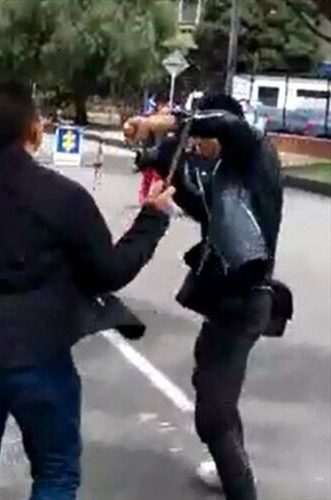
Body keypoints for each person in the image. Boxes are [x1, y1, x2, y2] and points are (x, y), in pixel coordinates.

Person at [0, 81, 176, 500]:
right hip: (40, 358)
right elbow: (109, 271)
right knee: (55, 471)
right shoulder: (64, 198)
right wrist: (152, 219)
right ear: (34, 131)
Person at [123, 94, 289, 500]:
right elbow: (204, 209)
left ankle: (240, 486)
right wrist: (156, 158)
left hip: (247, 299)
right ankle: (227, 462)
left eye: (202, 138)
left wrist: (169, 121)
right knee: (210, 383)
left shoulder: (253, 153)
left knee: (212, 415)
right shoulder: (228, 173)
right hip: (225, 299)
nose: (198, 146)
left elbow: (226, 126)